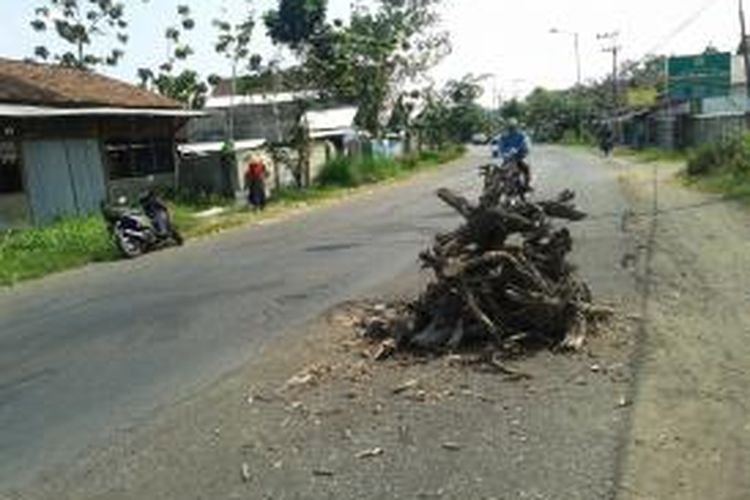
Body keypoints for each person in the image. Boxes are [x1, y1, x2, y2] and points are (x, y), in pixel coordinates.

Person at [498, 118, 532, 190]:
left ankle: (526, 184)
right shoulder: (504, 136)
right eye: (510, 127)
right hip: (508, 158)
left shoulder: (521, 135)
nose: (511, 129)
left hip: (518, 157)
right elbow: (501, 146)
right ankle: (501, 187)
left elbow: (525, 143)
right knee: (501, 171)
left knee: (526, 168)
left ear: (516, 127)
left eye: (513, 127)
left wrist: (521, 150)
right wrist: (504, 152)